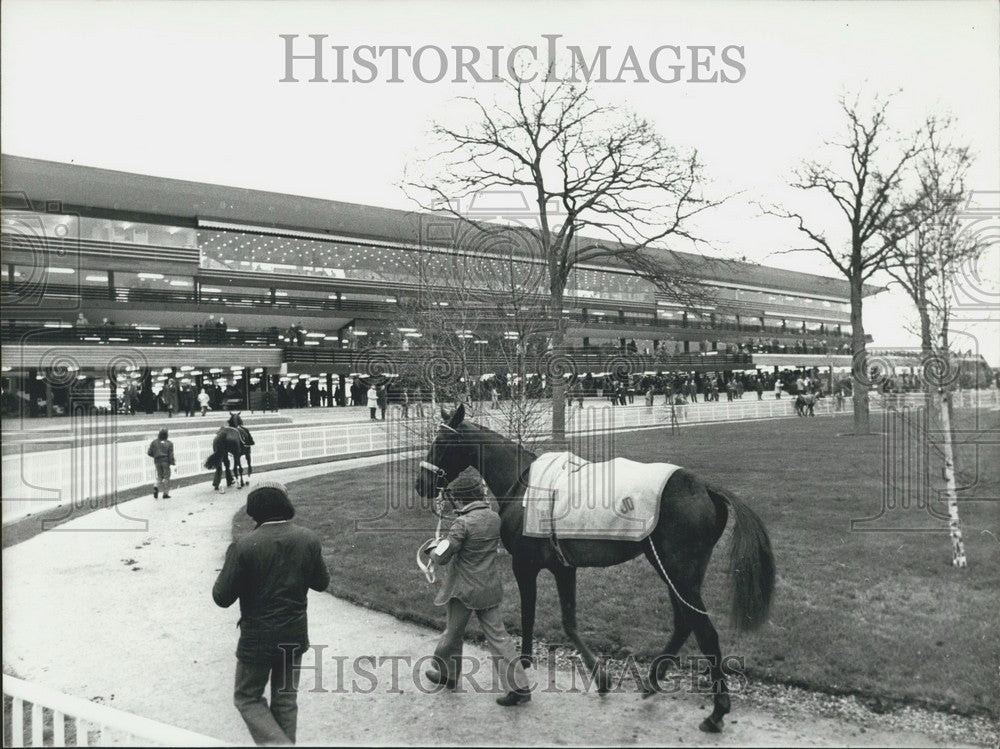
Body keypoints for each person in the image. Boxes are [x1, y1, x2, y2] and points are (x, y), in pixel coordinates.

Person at [213, 481, 330, 745]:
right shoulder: (308, 538)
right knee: (285, 700)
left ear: (253, 509)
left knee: (247, 697)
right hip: (295, 634)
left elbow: (221, 597)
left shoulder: (244, 545)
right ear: (284, 504)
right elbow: (322, 583)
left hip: (257, 639)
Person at [425, 470, 531, 706]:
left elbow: (441, 557)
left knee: (452, 634)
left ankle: (446, 673)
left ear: (462, 499)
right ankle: (519, 686)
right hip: (488, 588)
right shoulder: (493, 517)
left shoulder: (461, 524)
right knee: (498, 636)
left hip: (463, 591)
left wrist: (432, 548)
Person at [147, 428, 175, 499]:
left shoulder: (154, 442)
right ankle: (165, 493)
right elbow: (170, 455)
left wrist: (156, 456)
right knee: (166, 477)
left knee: (159, 476)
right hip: (165, 461)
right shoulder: (169, 443)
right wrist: (172, 462)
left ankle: (156, 486)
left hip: (157, 461)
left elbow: (149, 453)